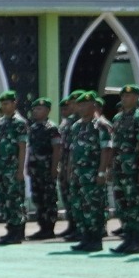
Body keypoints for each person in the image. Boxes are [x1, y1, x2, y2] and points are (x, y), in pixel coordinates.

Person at [67, 91, 113, 253]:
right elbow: (73, 150)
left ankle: (95, 239)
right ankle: (85, 237)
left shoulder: (101, 125)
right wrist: (71, 170)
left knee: (94, 207)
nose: (82, 108)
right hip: (79, 174)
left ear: (93, 105)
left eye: (85, 104)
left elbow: (106, 150)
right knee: (79, 207)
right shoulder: (77, 126)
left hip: (93, 173)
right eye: (79, 105)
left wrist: (102, 172)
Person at [108, 85, 139, 254]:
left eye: (129, 96)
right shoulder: (118, 118)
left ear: (136, 98)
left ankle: (136, 240)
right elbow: (114, 145)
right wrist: (111, 166)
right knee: (122, 204)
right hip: (120, 168)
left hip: (133, 169)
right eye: (123, 96)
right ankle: (127, 238)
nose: (125, 99)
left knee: (136, 204)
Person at [0, 90, 28, 245]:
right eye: (2, 104)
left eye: (7, 103)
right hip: (2, 167)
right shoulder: (1, 122)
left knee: (15, 200)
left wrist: (20, 170)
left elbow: (22, 147)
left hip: (13, 168)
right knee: (4, 199)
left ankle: (17, 232)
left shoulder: (19, 122)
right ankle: (10, 229)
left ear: (14, 103)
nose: (4, 107)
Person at [27, 97, 61, 239]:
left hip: (47, 168)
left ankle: (49, 228)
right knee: (38, 198)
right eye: (34, 108)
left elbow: (57, 149)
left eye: (39, 108)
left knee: (49, 199)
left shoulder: (51, 128)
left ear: (47, 111)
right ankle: (42, 227)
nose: (35, 111)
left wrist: (54, 168)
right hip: (36, 169)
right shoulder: (33, 128)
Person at [57, 93, 81, 240]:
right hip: (66, 164)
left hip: (80, 166)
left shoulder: (86, 122)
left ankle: (81, 228)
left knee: (80, 199)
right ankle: (72, 225)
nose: (72, 106)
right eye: (71, 103)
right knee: (68, 196)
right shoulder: (68, 122)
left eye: (74, 103)